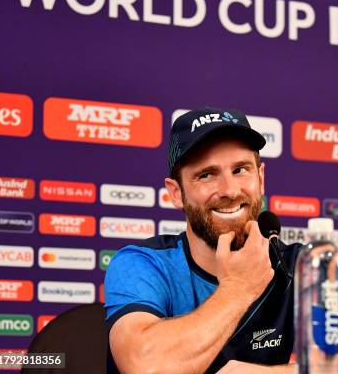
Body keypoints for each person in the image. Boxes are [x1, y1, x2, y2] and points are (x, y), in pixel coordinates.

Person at [104, 107, 301, 373]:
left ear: (261, 178)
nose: (230, 190)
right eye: (206, 174)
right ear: (176, 193)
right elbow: (145, 365)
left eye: (241, 169)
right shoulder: (143, 264)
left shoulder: (299, 266)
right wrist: (240, 288)